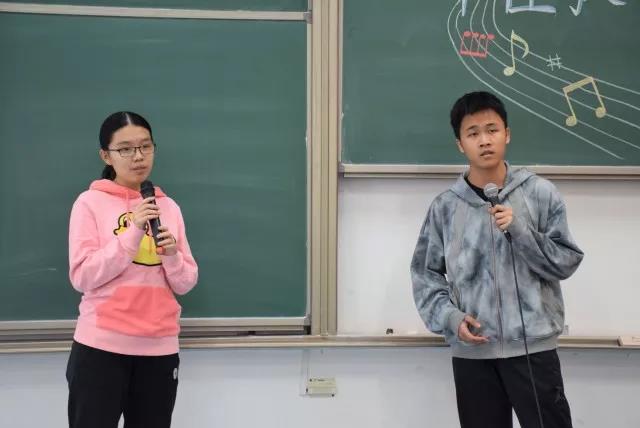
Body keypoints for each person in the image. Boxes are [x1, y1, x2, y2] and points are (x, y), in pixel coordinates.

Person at [411, 92, 584, 428]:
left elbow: (566, 260)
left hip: (533, 350)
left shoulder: (539, 193)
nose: (484, 140)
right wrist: (450, 318)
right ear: (460, 144)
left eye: (492, 130)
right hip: (474, 353)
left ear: (507, 134)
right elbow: (425, 275)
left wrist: (521, 232)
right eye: (473, 133)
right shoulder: (445, 207)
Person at [66, 111, 198, 428]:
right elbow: (83, 276)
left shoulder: (169, 207)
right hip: (101, 347)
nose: (138, 156)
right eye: (125, 149)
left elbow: (185, 282)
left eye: (145, 146)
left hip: (159, 349)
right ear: (106, 155)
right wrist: (133, 231)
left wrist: (172, 256)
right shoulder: (89, 203)